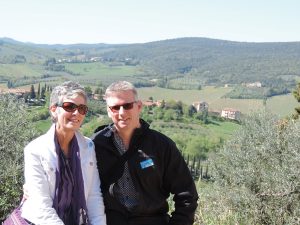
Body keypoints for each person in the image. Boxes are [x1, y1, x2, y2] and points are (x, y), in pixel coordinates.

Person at [91, 81, 198, 225]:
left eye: (127, 105)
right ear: (109, 111)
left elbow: (186, 193)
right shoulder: (97, 144)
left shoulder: (161, 145)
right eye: (115, 107)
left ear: (139, 106)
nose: (122, 112)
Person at [21, 81, 106, 225]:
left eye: (82, 108)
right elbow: (41, 206)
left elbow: (93, 197)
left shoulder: (88, 147)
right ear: (54, 109)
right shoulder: (35, 150)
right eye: (69, 106)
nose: (76, 113)